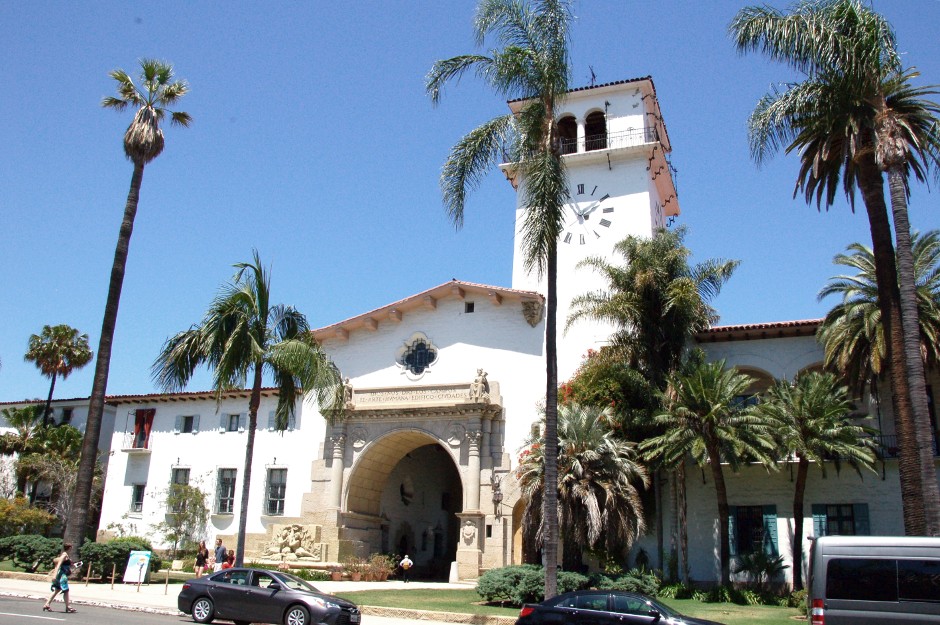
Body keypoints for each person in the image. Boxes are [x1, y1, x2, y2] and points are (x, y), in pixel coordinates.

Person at [43, 543, 81, 613]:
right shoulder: (64, 555)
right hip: (62, 576)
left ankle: (47, 604)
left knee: (57, 590)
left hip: (62, 574)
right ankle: (68, 607)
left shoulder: (66, 555)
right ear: (69, 548)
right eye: (71, 547)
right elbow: (58, 565)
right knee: (66, 590)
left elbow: (67, 564)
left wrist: (75, 564)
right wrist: (54, 575)